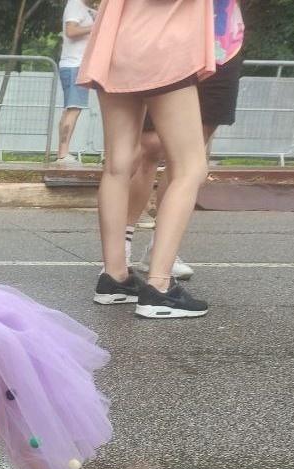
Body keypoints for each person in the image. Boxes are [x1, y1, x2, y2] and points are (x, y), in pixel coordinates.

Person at [79, 0, 214, 319]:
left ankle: (115, 278)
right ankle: (159, 287)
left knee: (117, 164)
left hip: (114, 42)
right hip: (163, 44)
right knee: (190, 166)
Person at [125, 0, 246, 281]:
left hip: (222, 44)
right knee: (150, 146)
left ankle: (160, 250)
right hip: (169, 39)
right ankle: (123, 244)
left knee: (190, 156)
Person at [55, 0, 97, 164]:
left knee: (70, 109)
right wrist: (95, 27)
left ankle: (62, 153)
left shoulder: (87, 9)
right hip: (74, 64)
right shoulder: (75, 4)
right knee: (73, 109)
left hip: (78, 65)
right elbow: (71, 31)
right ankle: (63, 154)